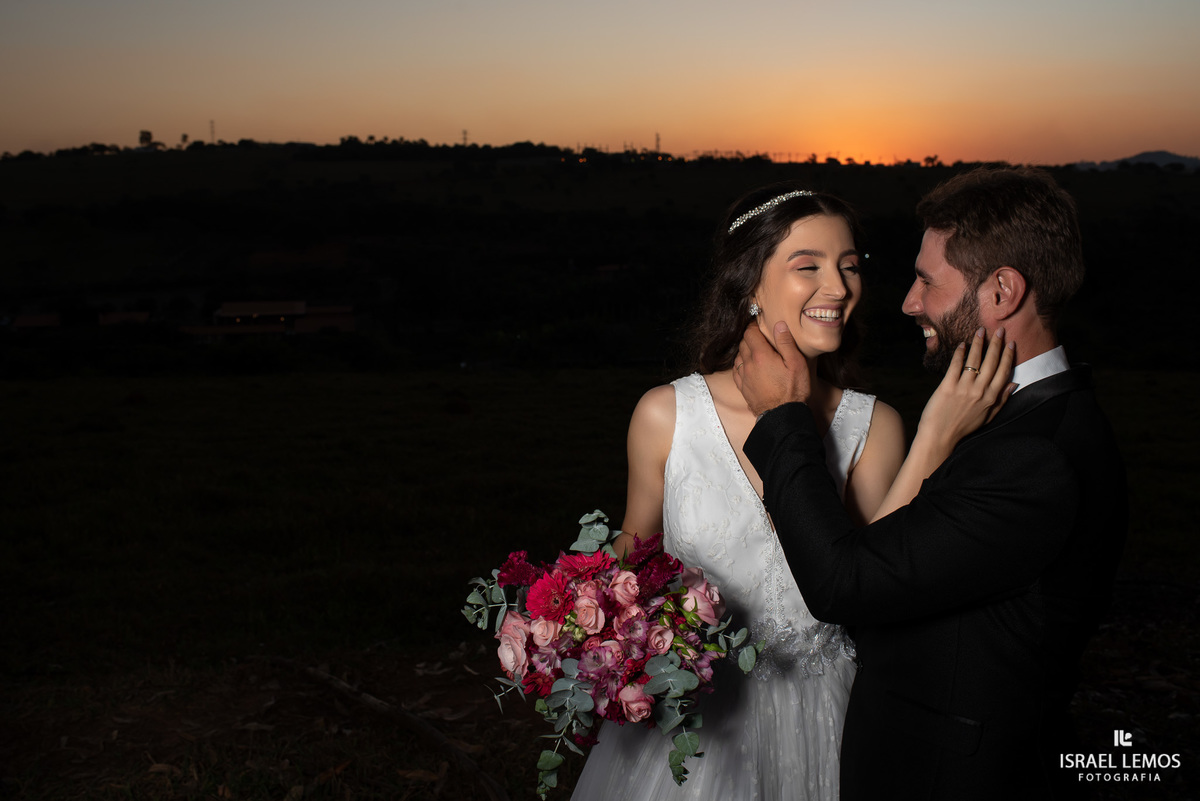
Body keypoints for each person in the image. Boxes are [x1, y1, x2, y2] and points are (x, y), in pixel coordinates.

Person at [571, 185, 1011, 801]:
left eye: (850, 266)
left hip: (828, 718)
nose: (838, 287)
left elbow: (880, 584)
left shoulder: (874, 425)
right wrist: (574, 631)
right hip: (696, 724)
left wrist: (934, 437)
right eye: (809, 267)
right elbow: (631, 564)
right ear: (749, 284)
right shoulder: (666, 415)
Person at [735, 167, 1128, 800]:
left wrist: (784, 418)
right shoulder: (1014, 415)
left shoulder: (1035, 457)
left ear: (1001, 292)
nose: (909, 302)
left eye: (928, 281)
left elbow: (845, 585)